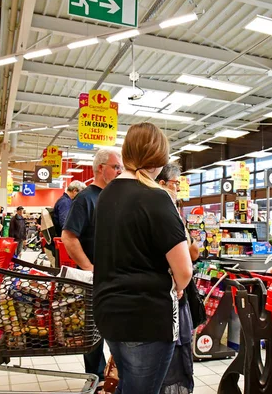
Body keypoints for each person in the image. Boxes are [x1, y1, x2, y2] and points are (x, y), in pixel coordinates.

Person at [94, 123, 193, 394]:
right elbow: (184, 272)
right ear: (159, 158)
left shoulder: (106, 194)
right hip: (146, 318)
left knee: (128, 384)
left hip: (109, 313)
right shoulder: (157, 198)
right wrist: (176, 282)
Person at [62, 147, 123, 383]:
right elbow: (69, 237)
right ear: (101, 168)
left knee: (112, 330)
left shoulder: (113, 197)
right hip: (94, 280)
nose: (119, 171)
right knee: (94, 334)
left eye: (120, 167)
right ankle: (95, 380)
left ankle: (110, 378)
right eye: (115, 167)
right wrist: (88, 267)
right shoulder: (86, 198)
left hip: (114, 277)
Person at [157, 163, 196, 394]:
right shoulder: (168, 213)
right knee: (171, 354)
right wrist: (180, 285)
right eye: (175, 184)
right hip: (170, 294)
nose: (178, 189)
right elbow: (190, 255)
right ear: (162, 183)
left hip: (164, 294)